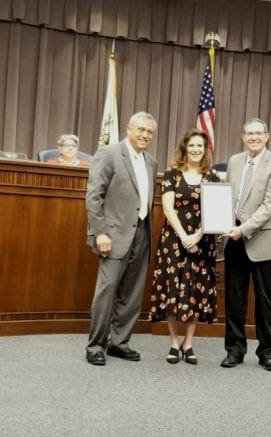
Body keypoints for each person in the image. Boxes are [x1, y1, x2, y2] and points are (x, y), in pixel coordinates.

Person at [84, 112, 158, 366]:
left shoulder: (152, 162)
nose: (145, 135)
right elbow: (94, 196)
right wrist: (100, 232)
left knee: (132, 293)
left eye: (149, 132)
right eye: (141, 130)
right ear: (128, 128)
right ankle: (95, 345)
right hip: (113, 235)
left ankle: (119, 343)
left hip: (142, 234)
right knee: (107, 291)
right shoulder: (109, 153)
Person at [220, 118, 271, 372]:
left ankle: (267, 352)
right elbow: (228, 196)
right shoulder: (235, 161)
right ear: (243, 136)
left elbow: (270, 206)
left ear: (267, 136)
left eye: (259, 133)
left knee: (265, 300)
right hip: (234, 241)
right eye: (249, 133)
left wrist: (242, 229)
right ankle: (234, 350)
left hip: (263, 241)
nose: (254, 137)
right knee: (234, 299)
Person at [148, 128, 220, 365]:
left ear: (205, 149)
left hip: (202, 241)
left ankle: (188, 344)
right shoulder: (172, 174)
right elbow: (168, 208)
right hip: (174, 240)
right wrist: (184, 236)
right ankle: (173, 342)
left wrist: (197, 236)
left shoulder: (213, 178)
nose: (196, 150)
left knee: (195, 291)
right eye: (192, 146)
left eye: (200, 146)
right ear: (184, 148)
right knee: (172, 288)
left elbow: (215, 213)